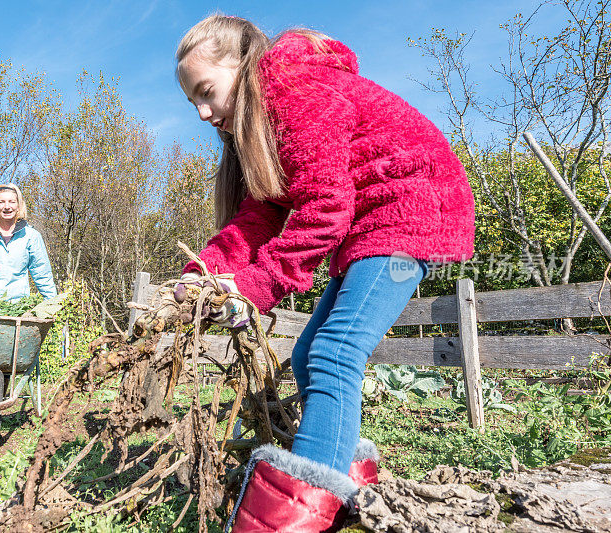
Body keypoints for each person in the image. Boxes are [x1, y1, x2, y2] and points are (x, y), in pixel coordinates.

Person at [175, 15, 475, 532]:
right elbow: (259, 216)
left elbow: (324, 207)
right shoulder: (258, 125)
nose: (203, 113)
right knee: (309, 351)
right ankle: (348, 490)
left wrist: (253, 286)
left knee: (337, 350)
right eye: (192, 103)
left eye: (207, 92)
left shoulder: (289, 87)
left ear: (240, 66)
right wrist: (202, 272)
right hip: (370, 223)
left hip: (411, 212)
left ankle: (287, 521)